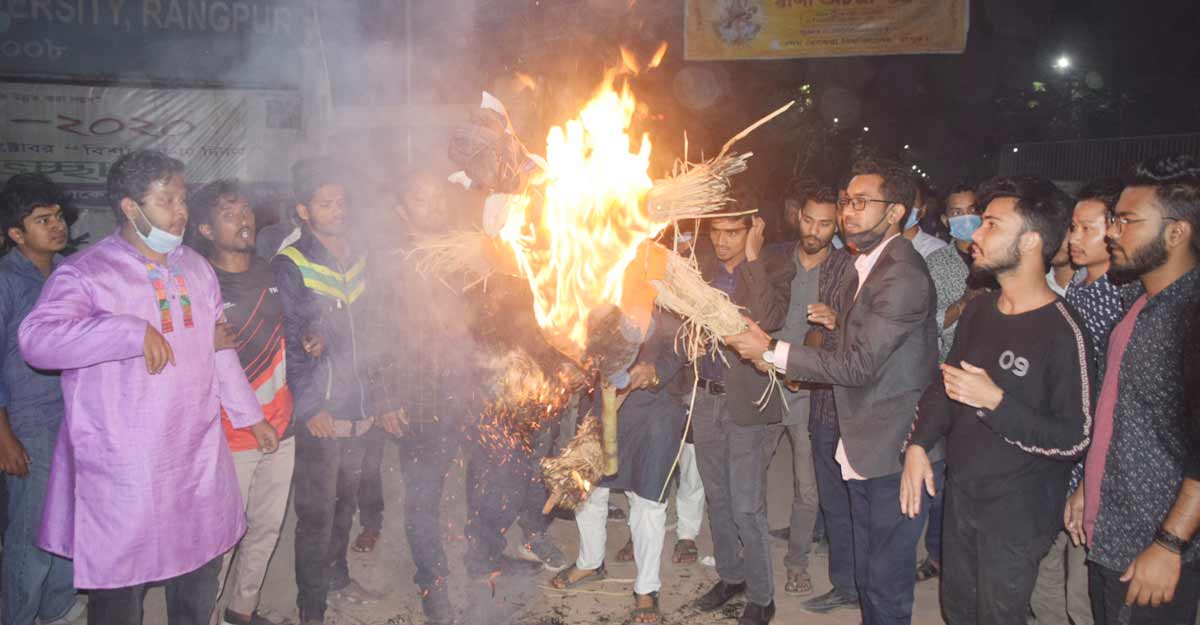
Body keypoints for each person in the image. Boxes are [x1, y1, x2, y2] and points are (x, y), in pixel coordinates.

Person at [18, 150, 275, 625]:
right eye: (166, 199)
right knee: (121, 592)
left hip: (193, 457)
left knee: (196, 581)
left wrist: (250, 416)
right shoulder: (88, 272)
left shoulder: (196, 269)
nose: (181, 210)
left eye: (182, 198)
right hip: (126, 467)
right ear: (131, 208)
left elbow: (219, 348)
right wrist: (125, 330)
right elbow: (37, 341)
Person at [725, 158, 939, 625]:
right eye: (847, 202)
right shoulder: (869, 264)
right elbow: (867, 344)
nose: (849, 213)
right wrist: (836, 324)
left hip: (890, 446)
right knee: (868, 564)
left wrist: (771, 350)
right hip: (863, 439)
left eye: (863, 203)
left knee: (885, 576)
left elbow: (861, 364)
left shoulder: (901, 274)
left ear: (896, 211)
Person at [900, 175, 1094, 625]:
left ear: (1029, 242)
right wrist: (917, 444)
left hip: (1017, 514)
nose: (974, 236)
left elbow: (1074, 438)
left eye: (990, 224)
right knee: (958, 611)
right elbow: (946, 386)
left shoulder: (1063, 332)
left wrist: (996, 402)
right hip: (963, 498)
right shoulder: (980, 310)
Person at [1065, 154, 1200, 625]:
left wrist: (1170, 545)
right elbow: (1120, 416)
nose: (1112, 233)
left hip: (1155, 550)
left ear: (1176, 232)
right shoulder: (1138, 304)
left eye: (1126, 221)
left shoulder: (1191, 315)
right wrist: (1089, 482)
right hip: (1111, 532)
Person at [272, 158, 397, 625]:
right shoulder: (292, 263)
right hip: (323, 408)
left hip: (360, 403)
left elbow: (377, 329)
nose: (338, 210)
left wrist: (381, 397)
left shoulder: (361, 254)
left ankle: (339, 576)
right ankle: (312, 608)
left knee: (347, 501)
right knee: (316, 514)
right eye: (326, 203)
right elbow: (290, 339)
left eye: (342, 201)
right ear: (304, 210)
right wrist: (309, 406)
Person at [188, 180, 296, 625]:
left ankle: (242, 611)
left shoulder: (275, 274)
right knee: (222, 538)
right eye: (229, 213)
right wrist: (202, 342)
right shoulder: (198, 282)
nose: (244, 219)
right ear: (206, 229)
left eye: (246, 210)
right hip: (228, 436)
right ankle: (203, 616)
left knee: (266, 528)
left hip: (281, 426)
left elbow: (297, 326)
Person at [688, 213, 794, 625]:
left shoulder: (772, 266)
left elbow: (769, 319)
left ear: (754, 229)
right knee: (717, 497)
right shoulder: (702, 271)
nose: (723, 240)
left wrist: (751, 259)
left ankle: (763, 596)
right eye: (717, 231)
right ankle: (731, 576)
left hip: (747, 402)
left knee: (747, 505)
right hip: (706, 398)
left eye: (734, 231)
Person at [550, 311, 688, 624]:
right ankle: (590, 562)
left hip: (655, 411)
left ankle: (647, 588)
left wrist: (653, 371)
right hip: (603, 401)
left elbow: (683, 343)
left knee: (648, 501)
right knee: (588, 489)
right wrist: (580, 367)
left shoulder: (669, 290)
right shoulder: (601, 279)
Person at [0, 174, 82, 625]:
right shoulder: (7, 283)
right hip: (28, 423)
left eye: (57, 216)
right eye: (42, 220)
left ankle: (57, 608)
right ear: (16, 233)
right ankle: (17, 615)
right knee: (31, 533)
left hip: (74, 418)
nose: (57, 226)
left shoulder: (69, 273)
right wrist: (4, 436)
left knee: (68, 524)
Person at [763, 184, 840, 597]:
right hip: (765, 385)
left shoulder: (845, 270)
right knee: (751, 477)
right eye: (808, 220)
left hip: (811, 395)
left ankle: (797, 563)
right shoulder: (775, 258)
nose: (814, 230)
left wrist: (835, 322)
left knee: (807, 487)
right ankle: (749, 557)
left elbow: (850, 334)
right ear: (798, 216)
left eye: (825, 223)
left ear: (837, 223)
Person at [796, 189, 859, 616]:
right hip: (824, 403)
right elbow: (816, 326)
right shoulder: (833, 262)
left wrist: (840, 323)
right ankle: (845, 584)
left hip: (857, 406)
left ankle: (862, 585)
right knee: (833, 500)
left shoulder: (876, 268)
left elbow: (873, 338)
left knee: (863, 505)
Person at [902, 182, 949, 258]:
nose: (904, 209)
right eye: (901, 202)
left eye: (911, 203)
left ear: (923, 210)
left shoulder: (938, 251)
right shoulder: (879, 243)